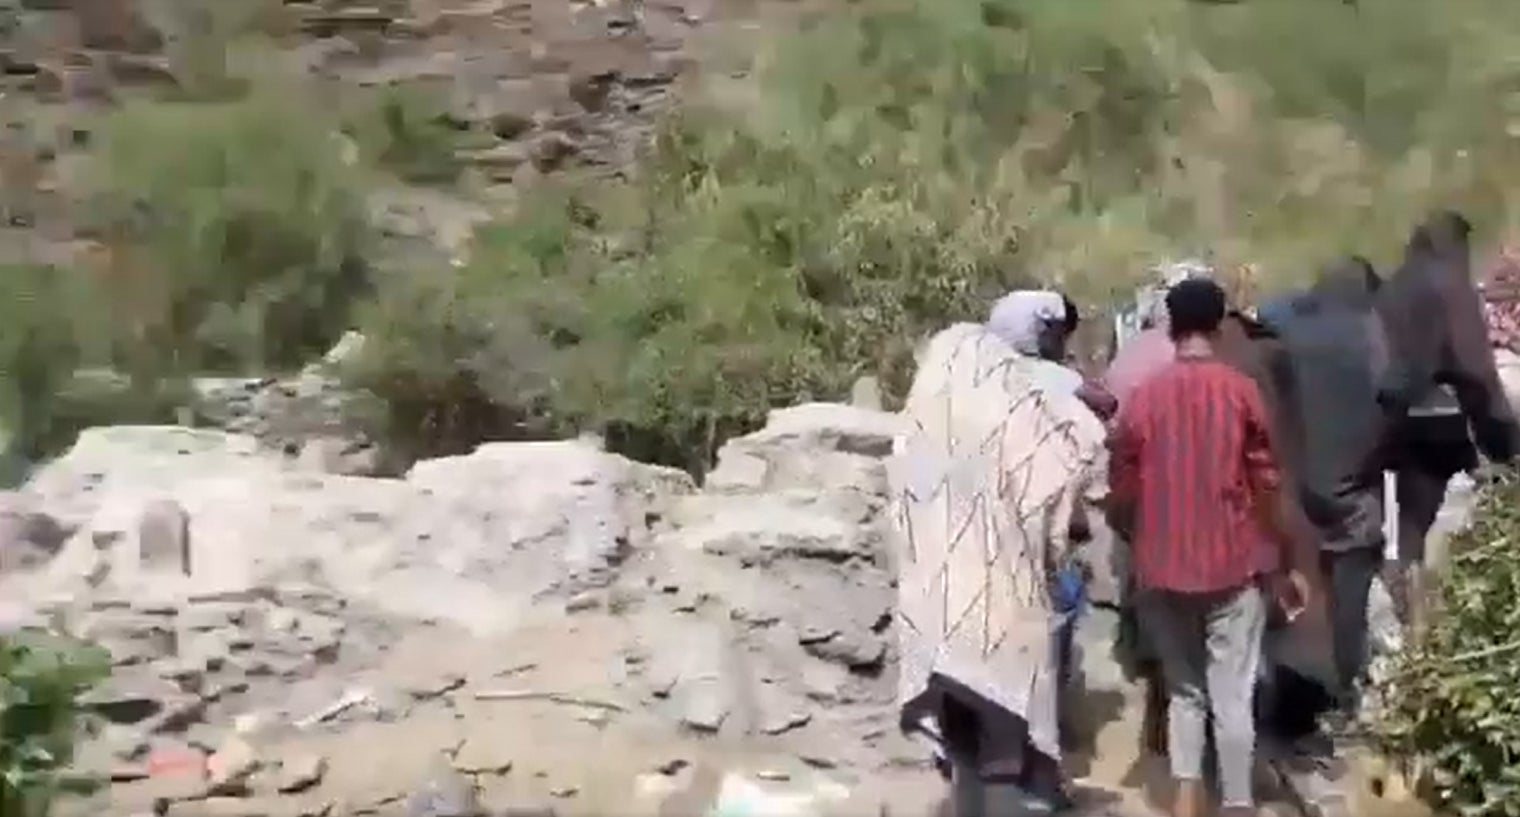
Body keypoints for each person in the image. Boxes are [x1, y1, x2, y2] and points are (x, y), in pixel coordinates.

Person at [1108, 278, 1310, 817]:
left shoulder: (1145, 397)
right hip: (1234, 565)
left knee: (1185, 693)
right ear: (1220, 326)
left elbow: (1121, 489)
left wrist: (1144, 543)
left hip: (1162, 568)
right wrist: (1283, 560)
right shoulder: (1241, 390)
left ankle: (1186, 799)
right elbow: (1266, 482)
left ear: (1170, 327)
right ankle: (1239, 803)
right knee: (1231, 693)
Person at [890, 318, 1108, 817]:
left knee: (963, 754)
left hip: (934, 617)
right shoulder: (1015, 426)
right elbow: (1076, 461)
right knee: (1006, 751)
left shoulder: (914, 435)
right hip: (1003, 611)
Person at [1271, 258, 1390, 718]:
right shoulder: (1371, 333)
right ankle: (1342, 698)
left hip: (1293, 489)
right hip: (1354, 492)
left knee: (1297, 596)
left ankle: (1291, 703)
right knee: (1349, 601)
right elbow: (1393, 403)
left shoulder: (1287, 333)